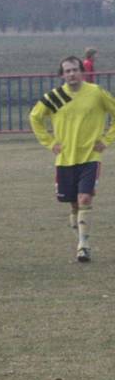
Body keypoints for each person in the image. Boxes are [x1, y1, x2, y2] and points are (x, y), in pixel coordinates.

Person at [29, 55, 115, 262]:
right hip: (65, 159)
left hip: (90, 156)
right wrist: (50, 143)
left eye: (74, 69)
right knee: (73, 206)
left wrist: (107, 139)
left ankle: (83, 246)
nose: (71, 74)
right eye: (66, 71)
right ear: (62, 75)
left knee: (84, 198)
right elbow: (35, 117)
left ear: (82, 72)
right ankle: (81, 243)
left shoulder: (96, 93)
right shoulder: (55, 97)